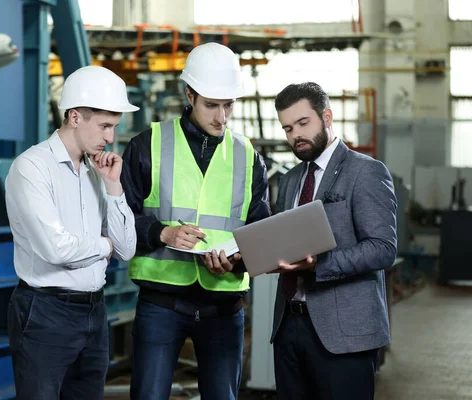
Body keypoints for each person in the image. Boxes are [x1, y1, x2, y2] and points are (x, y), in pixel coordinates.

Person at [121, 42, 271, 400]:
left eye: (228, 105)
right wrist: (163, 232)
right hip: (161, 303)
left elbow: (260, 234)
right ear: (189, 94)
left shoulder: (249, 157)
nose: (222, 116)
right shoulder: (147, 145)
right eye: (211, 105)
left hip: (224, 306)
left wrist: (237, 261)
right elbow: (121, 222)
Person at [4, 65, 139, 400]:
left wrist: (113, 187)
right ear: (75, 116)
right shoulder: (32, 168)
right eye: (105, 126)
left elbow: (127, 249)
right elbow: (56, 249)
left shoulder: (98, 172)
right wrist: (104, 244)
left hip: (94, 311)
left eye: (113, 127)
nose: (110, 137)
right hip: (46, 313)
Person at [270, 82, 397, 400]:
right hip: (288, 325)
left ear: (326, 117)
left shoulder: (365, 172)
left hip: (344, 333)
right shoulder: (289, 180)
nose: (295, 135)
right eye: (288, 128)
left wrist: (320, 263)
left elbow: (383, 247)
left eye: (303, 124)